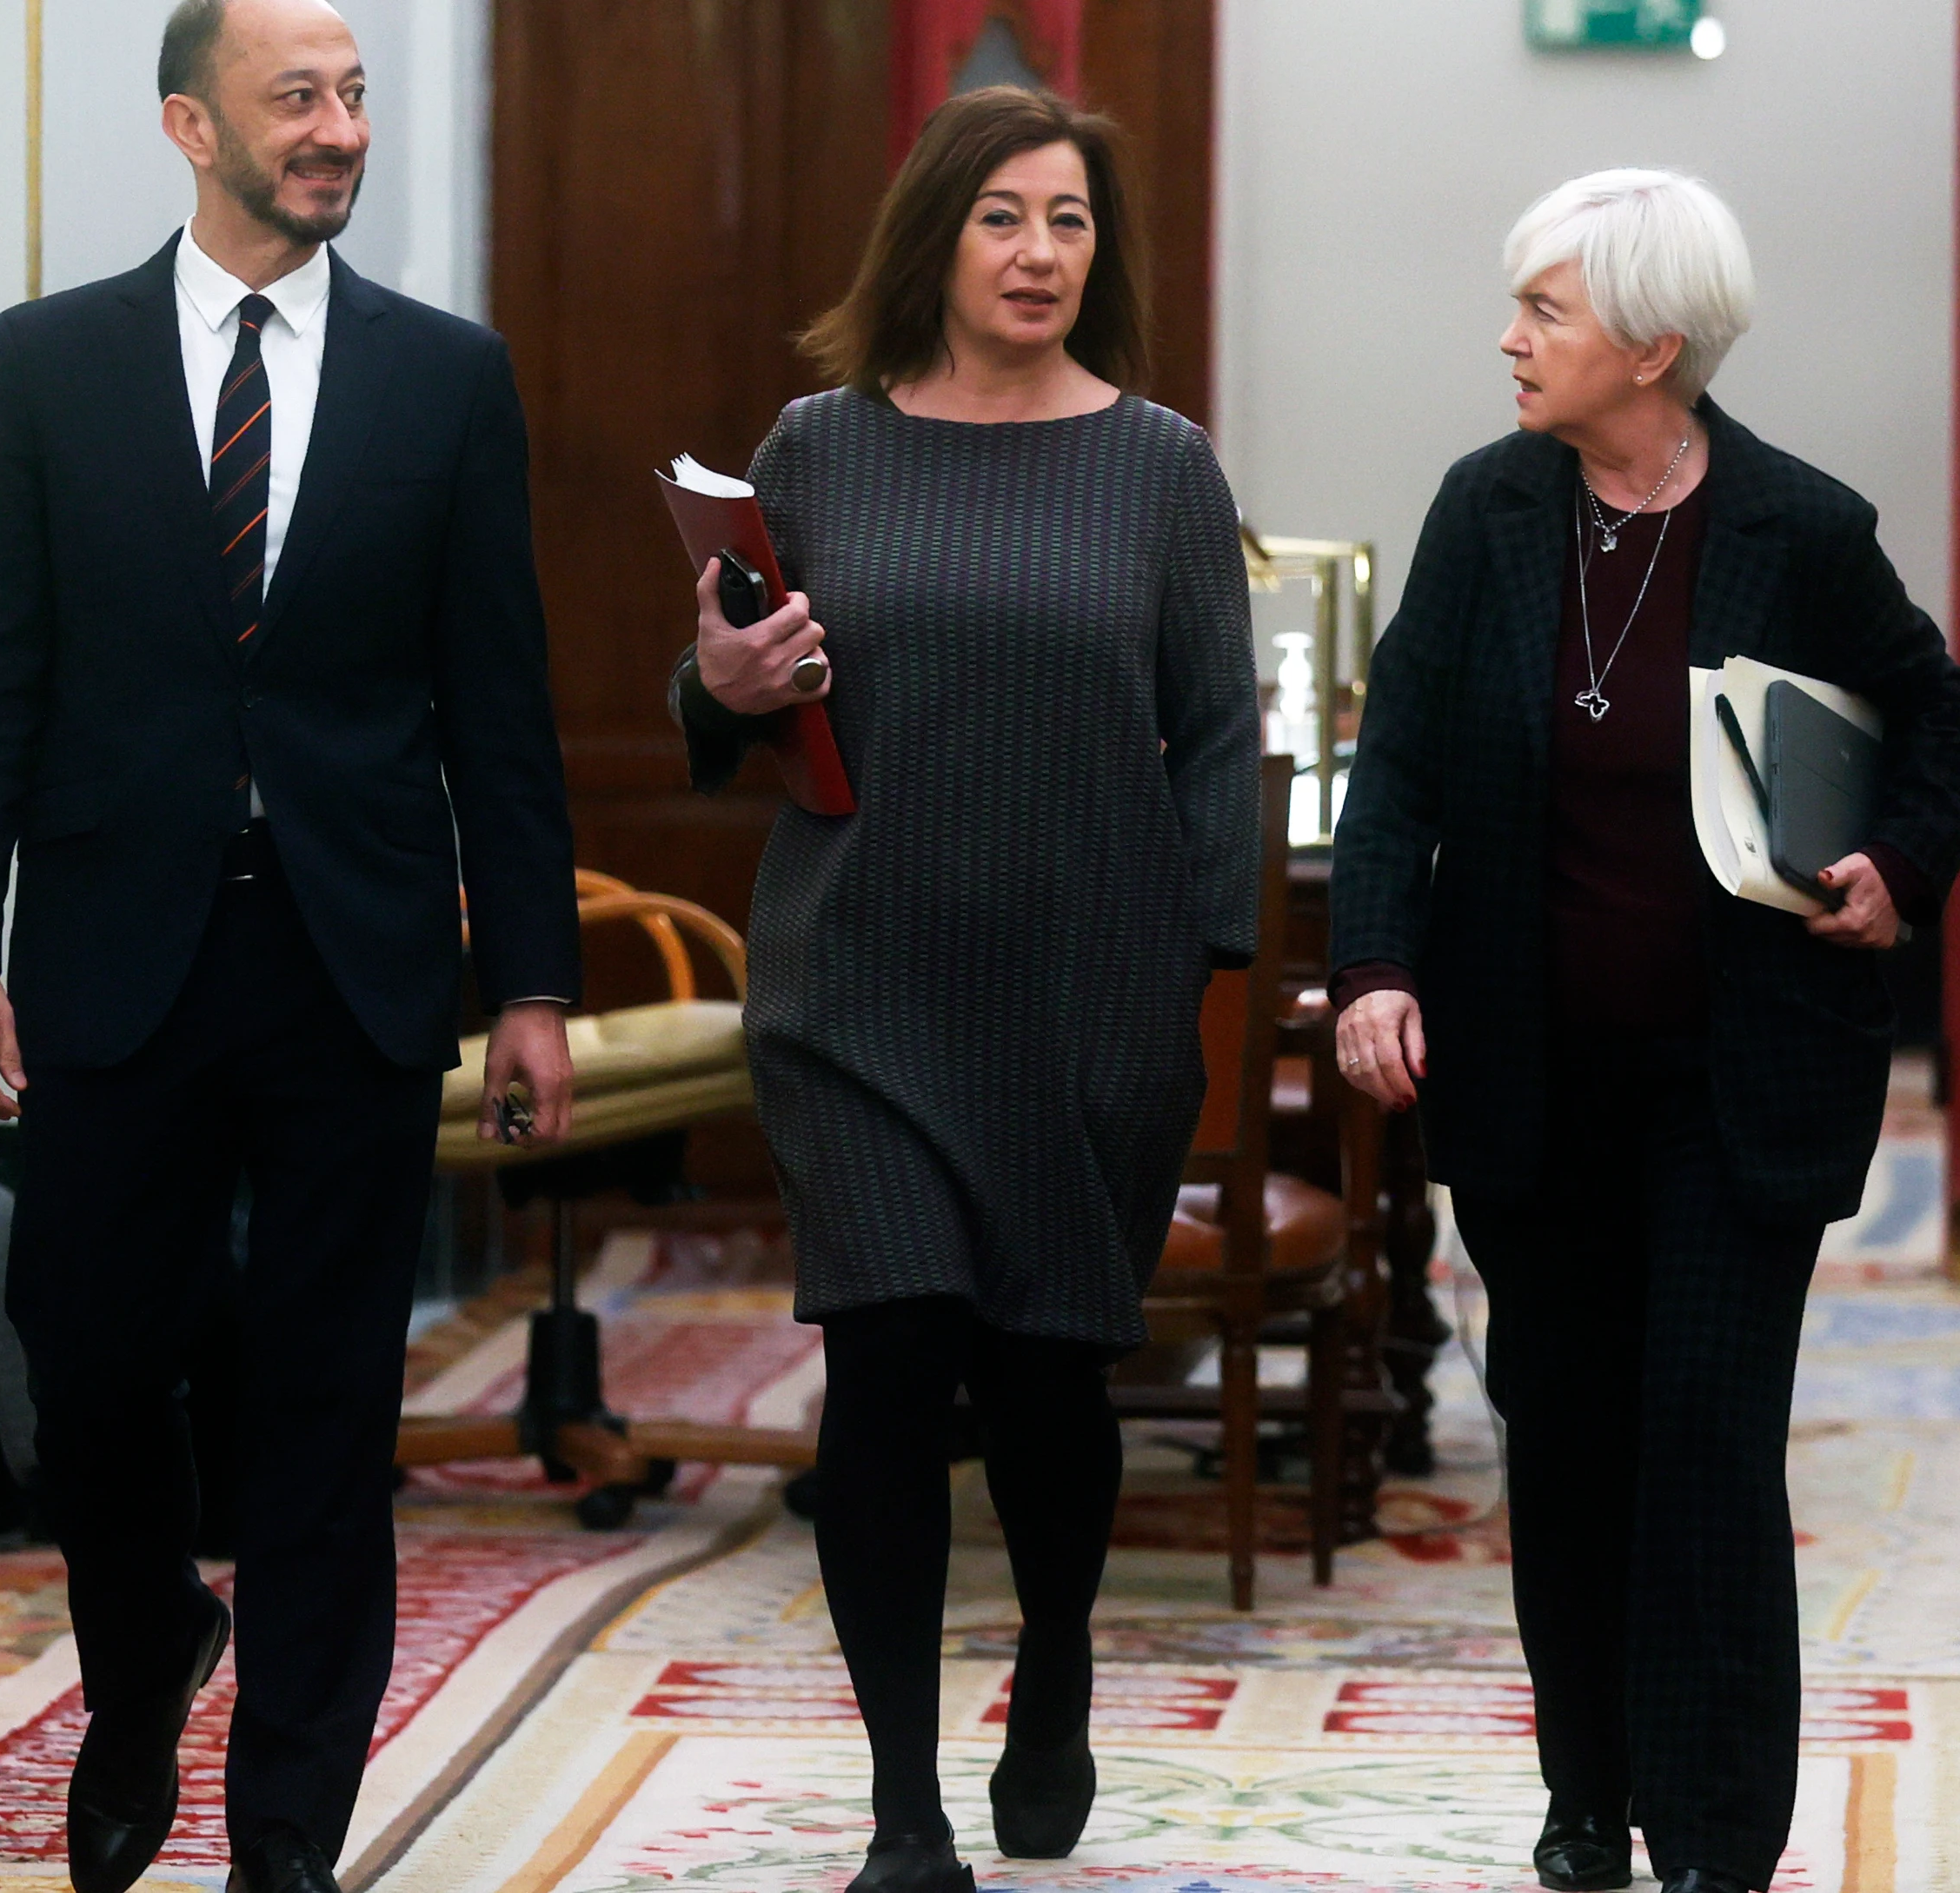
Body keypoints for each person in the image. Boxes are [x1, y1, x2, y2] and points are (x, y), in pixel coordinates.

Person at [0, 3, 580, 1890]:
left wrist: (528, 984)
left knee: (323, 1400)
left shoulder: (448, 381)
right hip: (115, 950)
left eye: (355, 96)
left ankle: (283, 1833)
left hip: (353, 961)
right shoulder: (47, 366)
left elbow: (496, 711)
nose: (340, 131)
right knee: (89, 1360)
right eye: (301, 100)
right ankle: (141, 1671)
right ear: (191, 126)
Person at [1326, 170, 1960, 1893]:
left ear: (1651, 345)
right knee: (1564, 1442)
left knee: (1702, 1446)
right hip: (1533, 1080)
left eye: (1542, 310)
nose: (1508, 337)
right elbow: (1392, 771)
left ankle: (1711, 1841)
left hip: (1731, 1083)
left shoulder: (1800, 527)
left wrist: (1895, 871)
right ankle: (1582, 1796)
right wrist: (1378, 969)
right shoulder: (1483, 515)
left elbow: (1943, 716)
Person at [671, 85, 1259, 1893]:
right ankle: (902, 1811)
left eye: (1068, 221)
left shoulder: (1158, 465)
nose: (1037, 253)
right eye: (1003, 216)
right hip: (856, 982)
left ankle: (1058, 1666)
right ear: (934, 237)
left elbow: (1221, 741)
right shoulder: (816, 450)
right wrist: (724, 676)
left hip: (1085, 991)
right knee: (891, 1355)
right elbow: (719, 707)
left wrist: (1198, 977)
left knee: (1044, 1392)